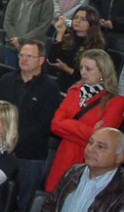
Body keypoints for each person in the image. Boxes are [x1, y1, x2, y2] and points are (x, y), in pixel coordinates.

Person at [0, 40, 62, 212]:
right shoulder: (7, 80)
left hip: (30, 154)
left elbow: (44, 124)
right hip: (1, 149)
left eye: (29, 56)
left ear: (41, 60)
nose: (23, 59)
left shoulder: (50, 87)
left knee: (26, 203)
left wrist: (14, 140)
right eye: (21, 55)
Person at [45, 50, 124, 192]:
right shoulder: (74, 91)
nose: (83, 72)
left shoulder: (115, 102)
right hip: (63, 158)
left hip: (89, 163)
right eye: (81, 68)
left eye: (88, 69)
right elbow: (55, 124)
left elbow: (102, 141)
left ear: (102, 72)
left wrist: (68, 125)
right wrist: (91, 131)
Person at [2, 0, 54, 67]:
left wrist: (21, 40)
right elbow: (7, 21)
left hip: (33, 50)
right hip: (12, 47)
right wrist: (15, 41)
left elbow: (43, 27)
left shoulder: (47, 1)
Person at [47, 7, 106, 93]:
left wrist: (66, 68)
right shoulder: (68, 38)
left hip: (83, 88)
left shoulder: (97, 46)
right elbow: (52, 60)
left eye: (83, 19)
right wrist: (60, 33)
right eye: (76, 17)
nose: (78, 21)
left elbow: (90, 75)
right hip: (62, 84)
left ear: (91, 23)